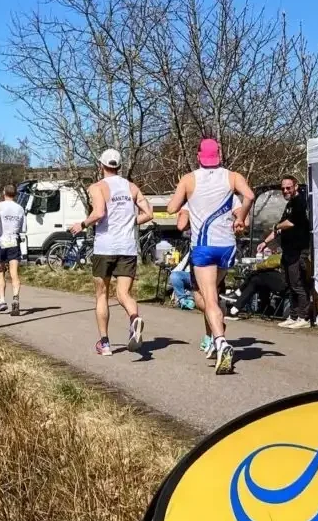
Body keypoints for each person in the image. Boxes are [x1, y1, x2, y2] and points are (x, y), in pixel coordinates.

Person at [167, 138, 254, 375]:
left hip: (203, 246)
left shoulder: (189, 179)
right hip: (227, 247)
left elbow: (172, 209)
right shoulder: (232, 177)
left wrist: (187, 199)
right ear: (220, 154)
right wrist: (240, 219)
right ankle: (216, 324)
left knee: (208, 300)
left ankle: (221, 341)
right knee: (207, 296)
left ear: (198, 156)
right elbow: (249, 197)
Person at [70, 149, 153, 355]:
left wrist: (82, 223)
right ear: (120, 166)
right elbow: (148, 213)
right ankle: (134, 319)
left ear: (101, 166)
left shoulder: (97, 187)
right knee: (123, 294)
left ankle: (105, 344)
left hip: (105, 247)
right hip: (127, 248)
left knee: (102, 295)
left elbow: (99, 213)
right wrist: (129, 221)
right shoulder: (132, 187)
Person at [259, 174, 313, 329]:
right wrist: (265, 242)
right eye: (283, 188)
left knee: (298, 283)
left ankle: (304, 317)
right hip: (287, 250)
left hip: (298, 250)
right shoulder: (288, 204)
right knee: (289, 283)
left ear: (295, 186)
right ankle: (293, 315)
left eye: (288, 187)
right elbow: (280, 226)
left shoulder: (300, 202)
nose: (285, 191)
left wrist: (277, 227)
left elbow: (289, 223)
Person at [0, 184, 27, 315]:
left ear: (4, 192)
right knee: (14, 272)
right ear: (15, 194)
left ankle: (2, 301)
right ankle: (16, 299)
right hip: (14, 239)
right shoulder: (20, 208)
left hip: (1, 239)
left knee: (1, 271)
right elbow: (23, 228)